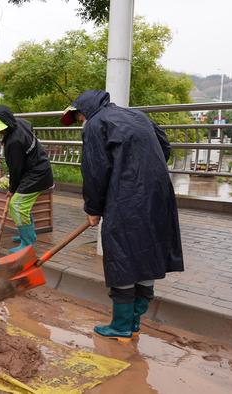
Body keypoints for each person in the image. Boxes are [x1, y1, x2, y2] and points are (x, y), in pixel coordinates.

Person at [60, 90, 184, 341]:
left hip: (126, 196)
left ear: (82, 112)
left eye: (78, 118)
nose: (81, 122)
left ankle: (122, 325)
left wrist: (93, 208)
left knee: (122, 255)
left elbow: (95, 170)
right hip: (158, 192)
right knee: (147, 251)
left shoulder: (96, 124)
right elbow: (164, 147)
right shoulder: (136, 115)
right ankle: (136, 317)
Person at [0, 105, 54, 254]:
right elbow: (29, 125)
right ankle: (28, 235)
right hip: (37, 169)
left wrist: (12, 189)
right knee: (22, 206)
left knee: (17, 205)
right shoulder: (19, 122)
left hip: (37, 175)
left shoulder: (13, 142)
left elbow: (15, 170)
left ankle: (27, 243)